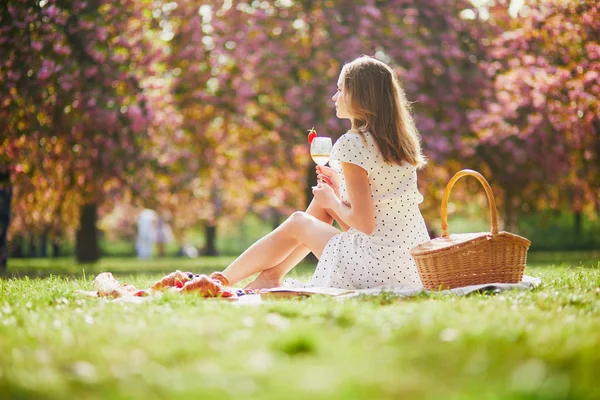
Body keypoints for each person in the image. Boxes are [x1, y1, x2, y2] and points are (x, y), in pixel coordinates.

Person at [221, 55, 431, 290]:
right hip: (412, 265)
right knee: (320, 205)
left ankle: (220, 280)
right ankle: (269, 276)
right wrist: (335, 195)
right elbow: (374, 218)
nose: (335, 97)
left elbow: (364, 225)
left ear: (359, 96)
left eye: (341, 89)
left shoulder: (353, 143)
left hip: (376, 265)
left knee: (298, 221)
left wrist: (332, 199)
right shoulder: (401, 144)